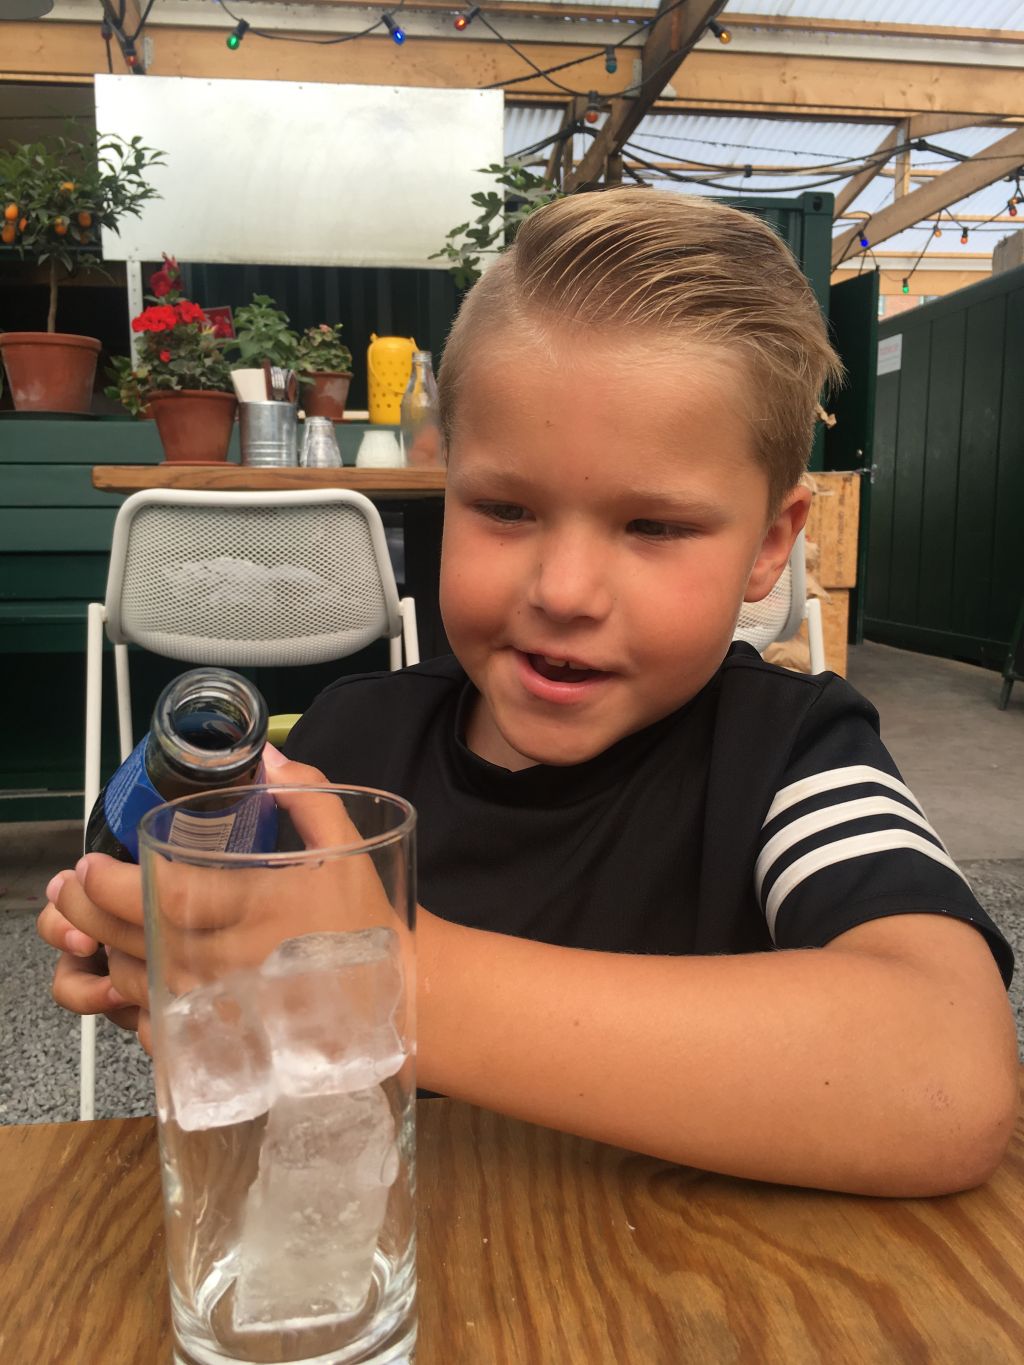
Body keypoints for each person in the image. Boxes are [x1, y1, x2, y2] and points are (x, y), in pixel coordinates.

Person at [39, 190, 1017, 1196]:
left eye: (654, 527)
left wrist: (388, 978)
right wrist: (182, 959)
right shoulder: (346, 748)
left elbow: (947, 1072)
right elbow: (273, 1086)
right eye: (506, 509)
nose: (564, 591)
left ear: (770, 544)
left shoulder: (789, 755)